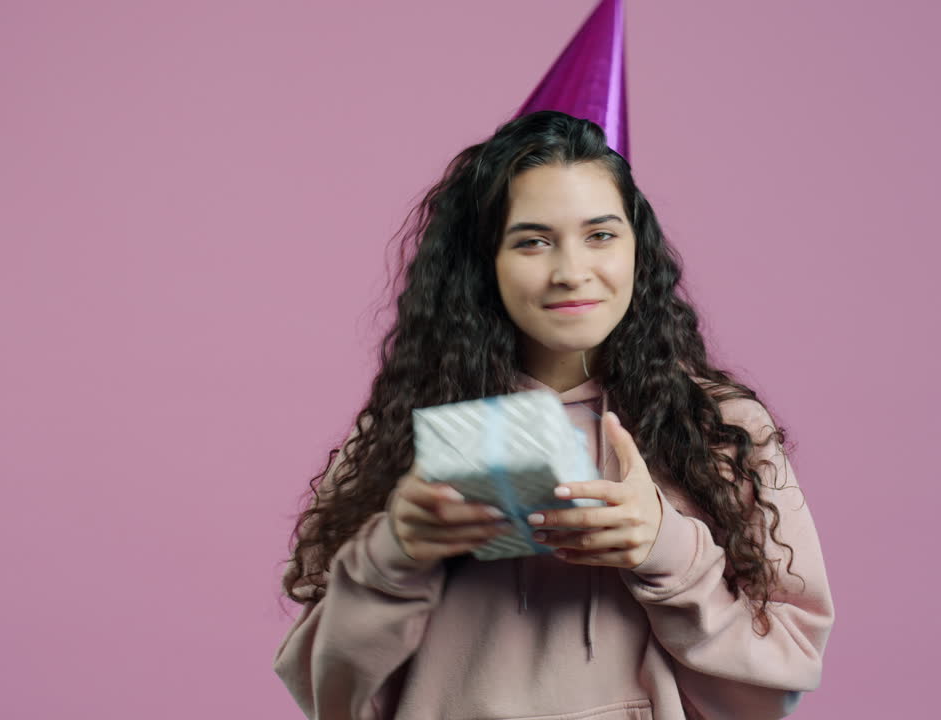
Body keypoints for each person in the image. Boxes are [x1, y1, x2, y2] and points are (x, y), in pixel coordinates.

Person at [272, 110, 835, 720]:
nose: (571, 272)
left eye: (601, 235)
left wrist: (664, 550)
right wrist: (394, 555)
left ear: (638, 250)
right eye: (533, 241)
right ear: (484, 263)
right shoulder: (409, 431)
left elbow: (777, 686)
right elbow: (329, 697)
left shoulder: (717, 428)